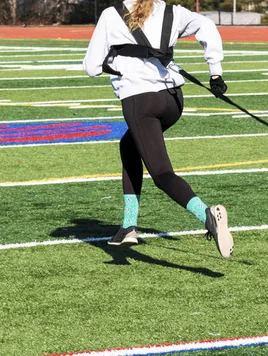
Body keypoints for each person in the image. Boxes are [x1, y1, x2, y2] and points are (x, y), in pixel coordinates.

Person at [83, 0, 233, 258]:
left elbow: (91, 67)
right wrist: (215, 72)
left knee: (162, 174)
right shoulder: (172, 12)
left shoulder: (111, 14)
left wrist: (115, 62)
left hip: (140, 102)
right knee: (129, 146)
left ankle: (208, 214)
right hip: (173, 100)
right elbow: (206, 25)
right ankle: (128, 226)